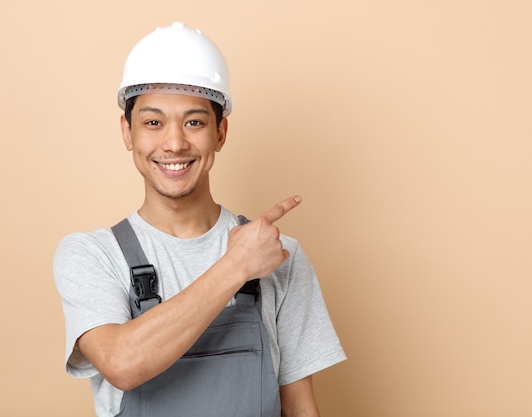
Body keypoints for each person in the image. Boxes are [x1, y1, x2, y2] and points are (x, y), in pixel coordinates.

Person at [53, 21, 346, 417]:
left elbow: (299, 406)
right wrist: (237, 266)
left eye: (194, 122)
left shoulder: (280, 256)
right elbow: (122, 363)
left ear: (220, 132)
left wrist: (253, 261)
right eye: (153, 122)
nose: (174, 143)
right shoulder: (91, 255)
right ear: (128, 131)